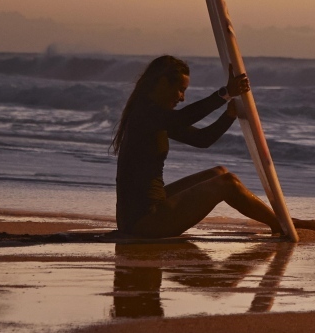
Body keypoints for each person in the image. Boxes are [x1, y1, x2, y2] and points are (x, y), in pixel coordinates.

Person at [112, 55, 305, 238]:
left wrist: (228, 116)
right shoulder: (146, 114)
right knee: (227, 182)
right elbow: (184, 117)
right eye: (180, 89)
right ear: (162, 82)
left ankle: (277, 219)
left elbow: (202, 139)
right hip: (144, 222)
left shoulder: (153, 116)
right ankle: (279, 223)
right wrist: (225, 94)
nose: (182, 97)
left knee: (218, 173)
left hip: (145, 212)